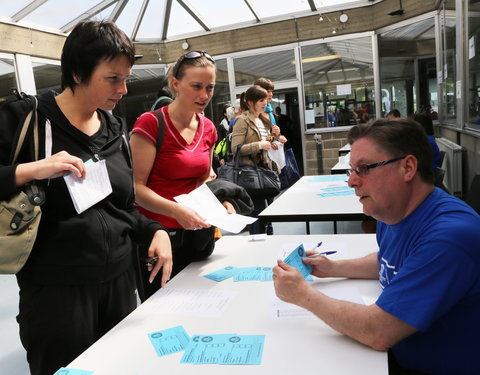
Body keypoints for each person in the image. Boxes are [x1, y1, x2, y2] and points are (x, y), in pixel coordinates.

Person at [0, 20, 172, 375]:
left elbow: (120, 208)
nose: (123, 89)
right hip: (57, 294)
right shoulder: (24, 119)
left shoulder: (113, 129)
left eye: (126, 77)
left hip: (120, 285)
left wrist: (154, 229)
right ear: (77, 73)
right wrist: (29, 170)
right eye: (113, 78)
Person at [273, 118, 480, 375]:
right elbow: (390, 260)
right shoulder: (394, 212)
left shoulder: (449, 238)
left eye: (365, 168)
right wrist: (333, 268)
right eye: (352, 170)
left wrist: (302, 295)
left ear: (407, 168)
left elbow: (378, 331)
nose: (351, 181)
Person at [130, 51, 235, 301]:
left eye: (209, 87)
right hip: (161, 237)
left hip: (198, 234)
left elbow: (203, 178)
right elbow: (136, 188)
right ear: (175, 84)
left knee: (200, 304)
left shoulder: (208, 127)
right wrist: (176, 211)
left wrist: (218, 202)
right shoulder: (151, 124)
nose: (204, 95)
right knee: (161, 308)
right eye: (196, 86)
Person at [231, 85, 287, 234]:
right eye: (261, 100)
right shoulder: (243, 120)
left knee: (267, 215)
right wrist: (259, 145)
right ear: (250, 102)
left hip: (266, 171)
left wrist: (275, 137)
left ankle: (266, 244)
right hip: (251, 174)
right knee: (258, 216)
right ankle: (257, 245)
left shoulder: (263, 119)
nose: (265, 103)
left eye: (266, 100)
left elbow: (266, 142)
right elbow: (236, 148)